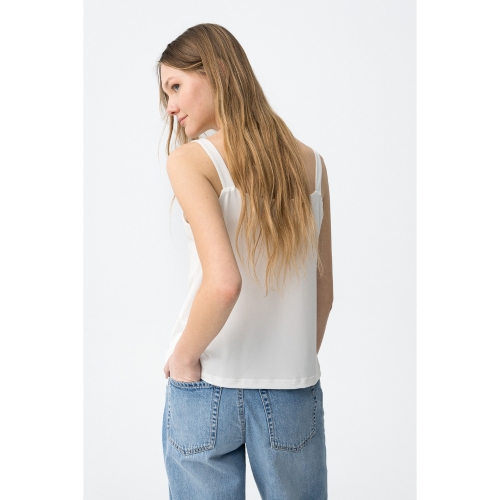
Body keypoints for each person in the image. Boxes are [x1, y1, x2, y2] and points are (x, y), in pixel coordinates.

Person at [157, 23, 333, 500]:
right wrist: (288, 364)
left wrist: (182, 357)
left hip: (207, 379)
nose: (169, 106)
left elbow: (223, 284)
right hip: (292, 388)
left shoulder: (191, 161)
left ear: (215, 71)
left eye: (176, 86)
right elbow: (324, 295)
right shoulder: (312, 164)